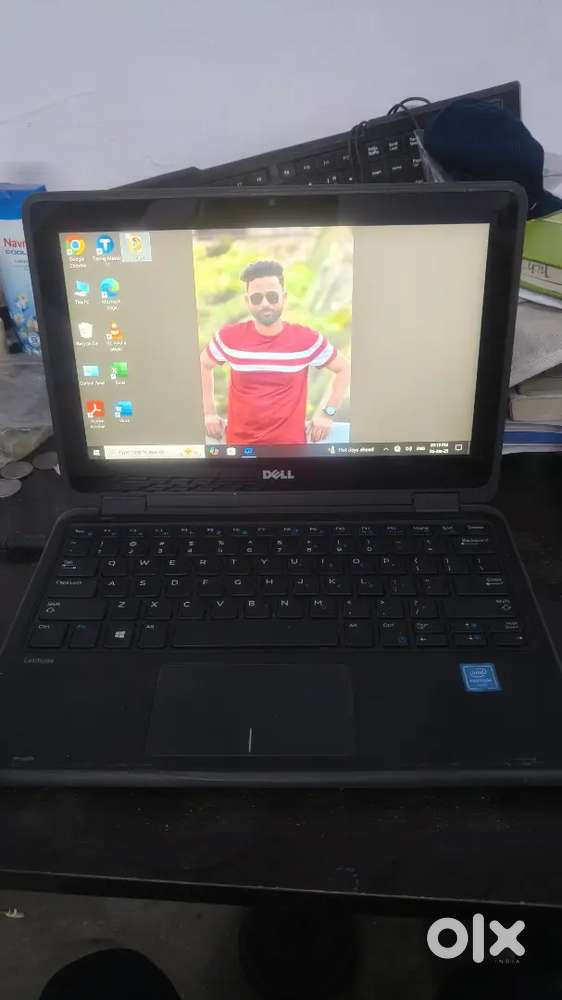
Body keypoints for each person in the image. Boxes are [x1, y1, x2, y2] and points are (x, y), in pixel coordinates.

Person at [200, 260, 351, 446]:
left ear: (284, 298)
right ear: (247, 301)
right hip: (240, 450)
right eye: (256, 298)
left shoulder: (306, 339)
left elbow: (344, 368)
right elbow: (203, 364)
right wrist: (209, 413)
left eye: (272, 297)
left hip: (291, 451)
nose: (265, 304)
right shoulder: (228, 337)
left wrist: (327, 414)